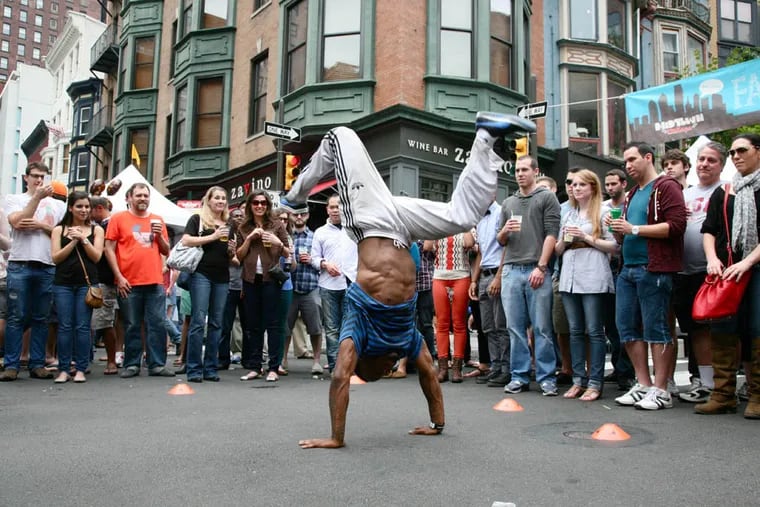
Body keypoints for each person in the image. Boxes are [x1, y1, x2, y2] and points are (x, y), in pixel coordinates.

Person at [280, 111, 535, 448]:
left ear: (372, 359)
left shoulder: (357, 331)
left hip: (370, 218)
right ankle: (486, 136)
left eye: (384, 368)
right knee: (461, 216)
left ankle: (294, 196)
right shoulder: (404, 336)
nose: (391, 367)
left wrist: (335, 437)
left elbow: (341, 376)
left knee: (340, 134)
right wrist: (437, 424)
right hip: (404, 226)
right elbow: (430, 373)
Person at [608, 142, 686, 410]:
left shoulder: (666, 186)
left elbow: (676, 226)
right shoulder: (631, 194)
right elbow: (627, 233)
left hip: (654, 269)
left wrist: (634, 229)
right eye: (625, 160)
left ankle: (661, 389)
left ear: (648, 158)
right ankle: (643, 384)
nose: (627, 165)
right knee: (626, 328)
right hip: (628, 269)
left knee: (657, 329)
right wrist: (619, 230)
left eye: (632, 159)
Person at [696, 133, 760, 419]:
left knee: (758, 330)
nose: (735, 156)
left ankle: (757, 396)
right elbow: (708, 229)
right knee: (721, 328)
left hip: (754, 269)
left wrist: (747, 263)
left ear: (757, 152)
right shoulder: (725, 190)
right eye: (732, 152)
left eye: (741, 150)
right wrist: (712, 259)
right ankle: (722, 395)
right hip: (726, 270)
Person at [497, 156, 561, 396]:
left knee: (542, 328)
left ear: (536, 171)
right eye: (517, 170)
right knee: (515, 328)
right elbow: (501, 241)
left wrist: (542, 267)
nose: (520, 173)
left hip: (536, 268)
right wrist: (503, 231)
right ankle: (519, 376)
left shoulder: (546, 197)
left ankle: (546, 378)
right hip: (511, 271)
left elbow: (551, 235)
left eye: (525, 169)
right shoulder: (508, 202)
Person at [555, 170, 619, 401]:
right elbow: (558, 250)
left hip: (593, 274)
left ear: (593, 187)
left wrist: (585, 236)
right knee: (574, 331)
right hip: (569, 275)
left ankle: (595, 382)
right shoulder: (568, 213)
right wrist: (564, 239)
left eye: (582, 184)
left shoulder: (603, 212)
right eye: (573, 184)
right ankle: (577, 380)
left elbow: (614, 247)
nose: (576, 188)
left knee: (594, 330)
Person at [0, 162, 66, 381]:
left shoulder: (57, 205)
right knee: (16, 316)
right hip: (20, 262)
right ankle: (12, 364)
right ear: (26, 177)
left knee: (41, 317)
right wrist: (36, 198)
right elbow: (17, 223)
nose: (39, 181)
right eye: (35, 176)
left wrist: (39, 225)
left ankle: (37, 364)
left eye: (43, 177)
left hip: (47, 264)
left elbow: (60, 233)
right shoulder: (14, 199)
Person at [673, 143, 726, 403]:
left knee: (723, 330)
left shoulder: (728, 191)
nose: (705, 164)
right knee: (694, 329)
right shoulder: (685, 193)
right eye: (702, 159)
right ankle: (704, 383)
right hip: (683, 272)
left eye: (711, 160)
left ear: (722, 165)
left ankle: (724, 384)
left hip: (716, 271)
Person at [104, 183, 175, 378]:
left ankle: (157, 364)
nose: (143, 198)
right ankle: (132, 364)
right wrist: (118, 277)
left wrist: (159, 235)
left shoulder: (157, 220)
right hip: (128, 281)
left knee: (157, 323)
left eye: (146, 195)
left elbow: (166, 251)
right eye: (139, 195)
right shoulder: (118, 218)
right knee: (132, 324)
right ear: (129, 198)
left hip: (154, 281)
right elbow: (109, 249)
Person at [236, 190, 291, 382]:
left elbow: (288, 253)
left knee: (274, 325)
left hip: (271, 280)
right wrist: (250, 238)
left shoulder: (276, 225)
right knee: (253, 325)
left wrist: (277, 242)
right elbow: (239, 256)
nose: (260, 206)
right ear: (250, 206)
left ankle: (274, 367)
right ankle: (255, 366)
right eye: (256, 203)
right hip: (250, 280)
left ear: (268, 206)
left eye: (263, 203)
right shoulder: (243, 227)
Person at [181, 186, 233, 382]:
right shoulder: (198, 220)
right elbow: (186, 240)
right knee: (197, 320)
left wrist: (231, 250)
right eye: (217, 198)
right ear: (208, 200)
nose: (220, 201)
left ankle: (211, 368)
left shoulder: (228, 224)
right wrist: (212, 237)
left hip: (222, 277)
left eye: (223, 198)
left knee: (216, 323)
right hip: (201, 274)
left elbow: (232, 257)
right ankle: (194, 368)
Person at [50, 191, 104, 383]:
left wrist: (83, 239)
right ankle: (64, 369)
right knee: (64, 326)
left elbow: (97, 257)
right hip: (62, 283)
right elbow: (56, 258)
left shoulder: (96, 230)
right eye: (79, 206)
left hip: (86, 284)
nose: (84, 210)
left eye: (87, 206)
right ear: (70, 208)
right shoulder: (58, 230)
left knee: (82, 327)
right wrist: (73, 241)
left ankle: (81, 368)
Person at [310, 194, 358, 373]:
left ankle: (348, 365)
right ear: (327, 210)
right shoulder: (320, 232)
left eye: (338, 206)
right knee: (331, 328)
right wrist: (324, 264)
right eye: (332, 207)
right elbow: (314, 258)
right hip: (328, 285)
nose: (335, 210)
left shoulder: (354, 229)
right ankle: (335, 367)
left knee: (350, 328)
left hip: (351, 284)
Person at [469, 201, 508, 385]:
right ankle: (496, 366)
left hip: (496, 273)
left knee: (501, 325)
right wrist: (474, 280)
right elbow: (482, 253)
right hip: (484, 274)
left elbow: (507, 247)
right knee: (487, 327)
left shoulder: (502, 212)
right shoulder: (480, 218)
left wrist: (499, 277)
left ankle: (506, 369)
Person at [601, 169, 634, 391]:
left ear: (623, 184)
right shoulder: (602, 208)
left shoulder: (630, 204)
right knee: (610, 325)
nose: (610, 188)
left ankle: (626, 372)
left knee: (625, 322)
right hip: (605, 265)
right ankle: (618, 367)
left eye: (614, 184)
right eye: (607, 184)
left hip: (624, 264)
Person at [284, 203, 324, 376]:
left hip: (311, 287)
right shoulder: (285, 236)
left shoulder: (315, 237)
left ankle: (316, 361)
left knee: (315, 327)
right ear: (291, 217)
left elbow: (324, 262)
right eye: (295, 215)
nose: (299, 218)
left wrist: (312, 261)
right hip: (290, 288)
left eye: (302, 214)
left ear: (307, 216)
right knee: (285, 326)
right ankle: (283, 359)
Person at [430, 232, 475, 383]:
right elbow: (428, 246)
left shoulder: (465, 227)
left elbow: (469, 243)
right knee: (442, 323)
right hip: (440, 276)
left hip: (461, 275)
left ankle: (457, 368)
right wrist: (434, 226)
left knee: (459, 323)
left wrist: (464, 225)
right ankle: (443, 368)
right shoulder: (438, 226)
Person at [90, 196, 122, 375]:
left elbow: (109, 249)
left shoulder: (107, 225)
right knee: (106, 320)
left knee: (105, 321)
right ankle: (114, 356)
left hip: (106, 279)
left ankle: (112, 359)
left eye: (90, 208)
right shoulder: (101, 225)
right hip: (104, 279)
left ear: (99, 208)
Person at [219, 208, 246, 370]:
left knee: (247, 324)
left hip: (245, 285)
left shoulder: (248, 235)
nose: (238, 219)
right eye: (235, 216)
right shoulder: (225, 235)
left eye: (241, 216)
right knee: (225, 325)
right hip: (227, 284)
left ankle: (248, 358)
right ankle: (222, 358)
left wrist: (234, 255)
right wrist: (230, 254)